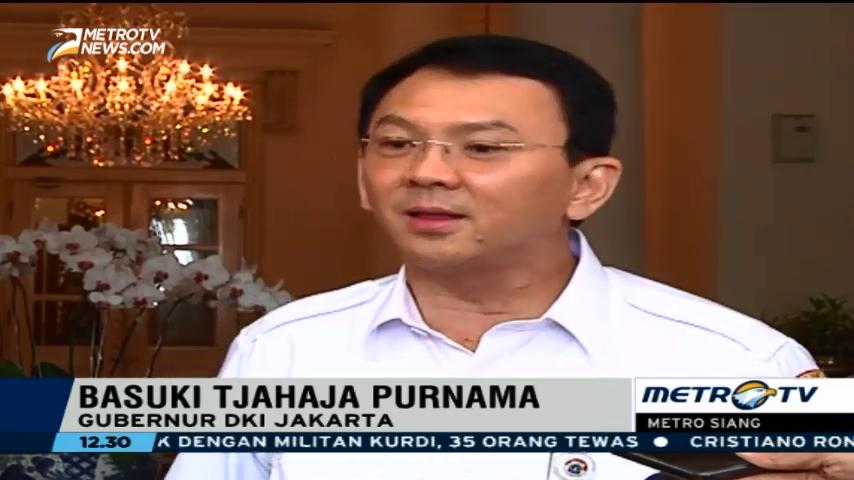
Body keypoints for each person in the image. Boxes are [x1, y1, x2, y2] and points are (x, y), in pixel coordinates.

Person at [166, 34, 848, 479]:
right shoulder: (282, 352)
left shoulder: (736, 363)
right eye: (397, 144)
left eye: (484, 148)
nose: (427, 172)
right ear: (363, 177)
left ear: (588, 185)